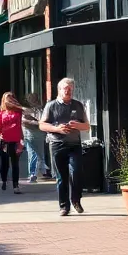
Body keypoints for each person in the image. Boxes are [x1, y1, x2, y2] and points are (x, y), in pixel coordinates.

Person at [39, 77, 91, 216]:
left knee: (76, 173)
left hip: (74, 144)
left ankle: (76, 200)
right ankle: (64, 206)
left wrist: (77, 125)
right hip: (57, 144)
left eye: (70, 90)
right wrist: (57, 129)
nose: (68, 92)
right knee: (61, 177)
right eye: (65, 89)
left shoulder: (78, 105)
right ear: (59, 90)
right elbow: (42, 125)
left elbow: (87, 126)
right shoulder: (51, 106)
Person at [0, 93, 24, 194]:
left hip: (16, 141)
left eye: (11, 99)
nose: (10, 101)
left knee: (15, 164)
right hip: (5, 141)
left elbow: (22, 126)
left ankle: (16, 185)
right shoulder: (1, 113)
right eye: (8, 99)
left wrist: (21, 140)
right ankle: (4, 180)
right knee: (5, 163)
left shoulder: (18, 112)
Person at [21, 94, 51, 183]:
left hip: (40, 133)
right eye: (30, 98)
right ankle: (32, 174)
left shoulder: (41, 109)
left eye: (34, 98)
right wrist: (36, 122)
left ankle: (42, 173)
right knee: (32, 153)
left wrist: (38, 123)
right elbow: (23, 121)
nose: (33, 100)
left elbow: (45, 120)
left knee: (40, 154)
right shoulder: (24, 109)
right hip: (29, 134)